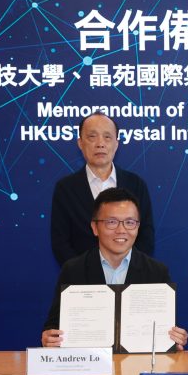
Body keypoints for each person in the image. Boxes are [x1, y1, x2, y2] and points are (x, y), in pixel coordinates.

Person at [41, 187, 187, 349]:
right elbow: (54, 325)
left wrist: (175, 339)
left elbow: (165, 329)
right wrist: (49, 337)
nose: (121, 230)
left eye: (130, 222)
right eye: (112, 222)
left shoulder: (157, 272)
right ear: (95, 227)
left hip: (139, 363)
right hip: (90, 362)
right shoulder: (73, 270)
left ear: (138, 227)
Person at [50, 112, 155, 265]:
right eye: (92, 137)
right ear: (80, 143)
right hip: (81, 276)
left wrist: (126, 271)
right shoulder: (65, 188)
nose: (100, 144)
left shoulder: (135, 184)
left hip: (130, 275)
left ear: (116, 144)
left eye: (107, 137)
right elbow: (60, 242)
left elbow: (146, 236)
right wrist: (82, 272)